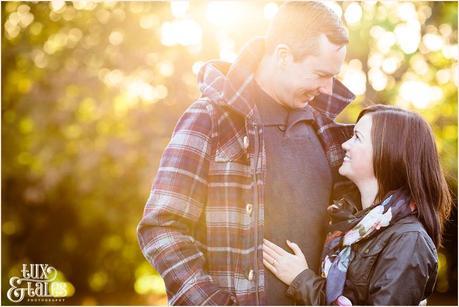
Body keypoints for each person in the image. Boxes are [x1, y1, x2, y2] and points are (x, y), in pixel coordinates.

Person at [137, 1, 356, 305]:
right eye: (320, 73)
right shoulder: (210, 119)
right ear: (282, 55)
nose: (328, 87)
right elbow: (162, 226)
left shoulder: (331, 135)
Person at [263, 104, 452, 305]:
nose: (345, 144)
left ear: (387, 152)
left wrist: (302, 280)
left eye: (357, 137)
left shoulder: (409, 240)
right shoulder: (349, 225)